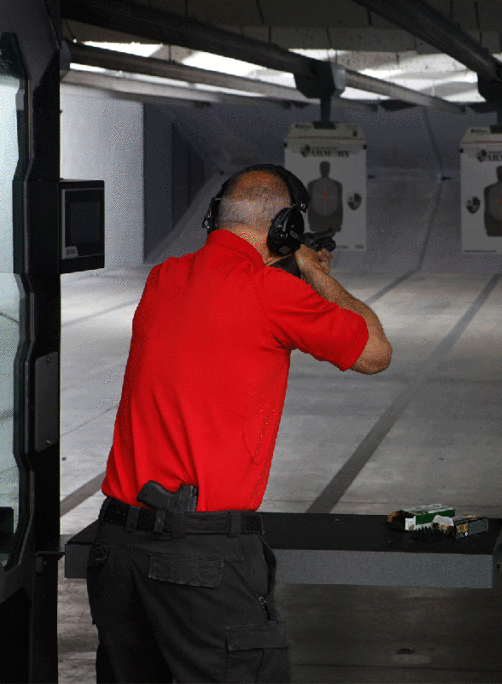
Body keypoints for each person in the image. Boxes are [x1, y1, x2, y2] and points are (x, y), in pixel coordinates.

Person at [85, 165, 392, 683]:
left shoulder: (163, 279)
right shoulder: (271, 292)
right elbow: (375, 352)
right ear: (286, 228)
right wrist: (315, 273)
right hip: (197, 557)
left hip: (118, 551)